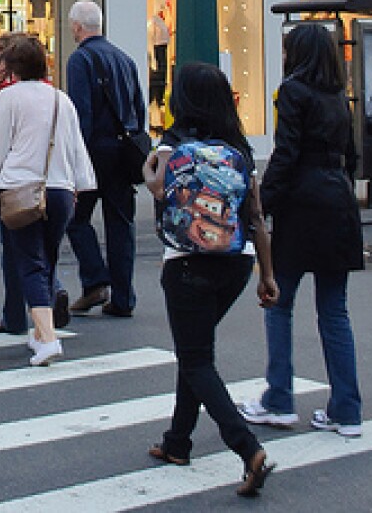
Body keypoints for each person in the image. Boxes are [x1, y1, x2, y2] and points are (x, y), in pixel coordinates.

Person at [144, 63, 277, 498]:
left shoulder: (173, 143)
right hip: (235, 263)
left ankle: (248, 448)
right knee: (195, 349)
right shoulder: (238, 148)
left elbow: (159, 187)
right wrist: (267, 275)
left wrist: (149, 173)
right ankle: (177, 441)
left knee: (197, 358)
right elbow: (255, 216)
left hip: (186, 263)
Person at [239, 22, 365, 436]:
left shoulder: (294, 91)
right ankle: (346, 407)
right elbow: (352, 156)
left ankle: (279, 397)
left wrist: (260, 205)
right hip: (338, 202)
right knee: (334, 310)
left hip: (302, 205)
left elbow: (286, 153)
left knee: (279, 299)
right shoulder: (337, 98)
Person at [0, 33, 95, 366]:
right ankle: (41, 332)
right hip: (60, 189)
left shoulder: (9, 98)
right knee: (48, 260)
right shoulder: (61, 99)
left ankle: (47, 337)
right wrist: (82, 182)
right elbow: (75, 148)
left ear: (14, 67)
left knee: (28, 262)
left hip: (19, 186)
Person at [64, 0, 148, 318]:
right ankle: (123, 297)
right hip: (124, 152)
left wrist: (75, 159)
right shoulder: (124, 59)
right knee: (120, 224)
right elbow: (139, 110)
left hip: (94, 151)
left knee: (75, 217)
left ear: (77, 26)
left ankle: (95, 279)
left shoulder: (80, 60)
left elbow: (81, 115)